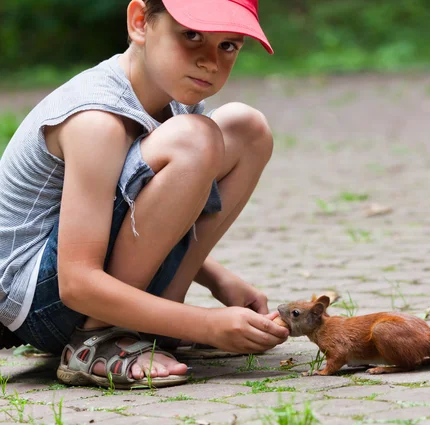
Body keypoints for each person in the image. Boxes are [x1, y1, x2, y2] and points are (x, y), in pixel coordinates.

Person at [0, 0, 289, 389]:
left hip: (87, 280)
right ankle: (97, 341)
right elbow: (76, 281)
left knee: (246, 128)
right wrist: (207, 325)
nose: (209, 61)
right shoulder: (96, 121)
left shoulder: (175, 96)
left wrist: (217, 279)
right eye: (191, 35)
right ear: (140, 22)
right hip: (43, 304)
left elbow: (132, 212)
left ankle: (154, 328)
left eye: (228, 46)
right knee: (196, 138)